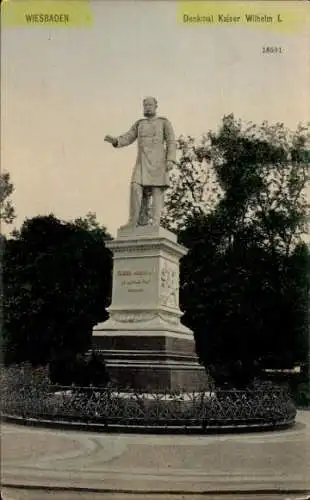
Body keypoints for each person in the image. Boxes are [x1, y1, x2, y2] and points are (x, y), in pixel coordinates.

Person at [105, 96, 176, 226]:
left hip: (158, 162)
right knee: (135, 187)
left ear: (155, 106)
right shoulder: (140, 123)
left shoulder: (163, 122)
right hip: (142, 161)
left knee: (156, 190)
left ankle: (155, 222)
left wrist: (170, 159)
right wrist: (116, 141)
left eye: (150, 105)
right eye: (145, 105)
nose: (147, 107)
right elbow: (128, 136)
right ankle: (134, 220)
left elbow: (171, 141)